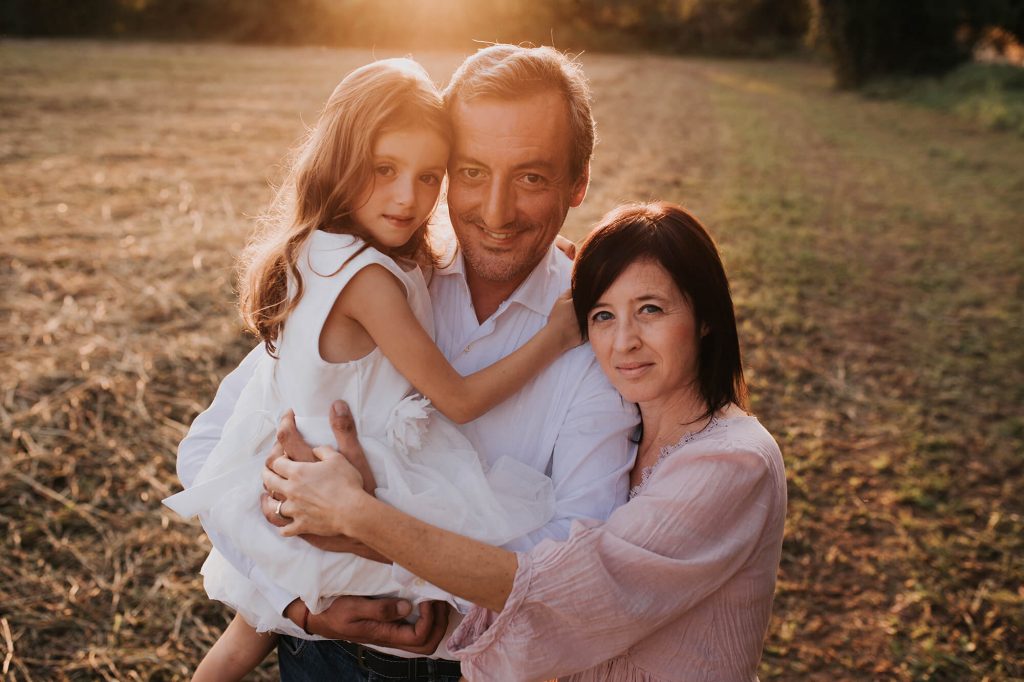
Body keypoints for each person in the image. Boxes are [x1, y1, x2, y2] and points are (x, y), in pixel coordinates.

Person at [175, 45, 638, 680]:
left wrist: (364, 527)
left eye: (531, 177)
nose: (496, 214)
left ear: (577, 182)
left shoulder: (600, 334)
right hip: (320, 651)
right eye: (472, 172)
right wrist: (298, 604)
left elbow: (572, 568)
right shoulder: (389, 277)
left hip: (474, 664)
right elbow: (210, 451)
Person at [265, 202, 788, 681]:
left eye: (650, 309)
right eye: (603, 315)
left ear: (706, 320)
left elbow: (570, 591)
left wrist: (359, 520)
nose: (623, 340)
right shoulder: (631, 431)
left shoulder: (732, 461)